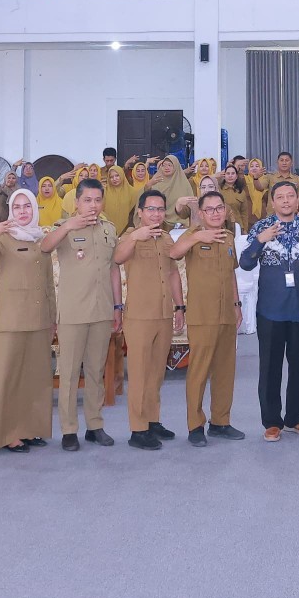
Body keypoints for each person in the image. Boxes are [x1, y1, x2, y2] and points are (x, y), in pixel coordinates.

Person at [239, 179, 299, 440]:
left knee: (298, 366)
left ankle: (296, 418)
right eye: (280, 197)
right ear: (272, 202)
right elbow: (245, 263)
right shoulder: (261, 228)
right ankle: (272, 422)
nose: (286, 201)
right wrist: (260, 241)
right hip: (270, 310)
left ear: (298, 201)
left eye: (290, 196)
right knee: (270, 367)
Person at [0, 187, 57, 452]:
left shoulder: (40, 238)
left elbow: (48, 282)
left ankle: (31, 428)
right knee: (7, 378)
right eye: (17, 207)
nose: (23, 212)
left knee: (35, 379)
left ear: (34, 208)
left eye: (27, 206)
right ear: (10, 210)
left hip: (39, 319)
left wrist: (52, 316)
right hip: (10, 320)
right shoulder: (3, 238)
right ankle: (7, 433)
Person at [43, 178, 119, 450]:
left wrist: (118, 306)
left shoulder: (109, 229)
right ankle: (69, 430)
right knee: (70, 373)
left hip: (102, 310)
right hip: (73, 312)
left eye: (97, 200)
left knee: (96, 372)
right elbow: (45, 247)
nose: (93, 205)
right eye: (87, 200)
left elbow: (113, 268)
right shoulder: (64, 227)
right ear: (76, 202)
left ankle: (95, 425)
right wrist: (68, 226)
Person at [169, 188, 246, 446]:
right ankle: (195, 425)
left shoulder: (228, 238)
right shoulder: (192, 235)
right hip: (202, 315)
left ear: (226, 211)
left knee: (225, 370)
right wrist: (197, 236)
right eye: (209, 209)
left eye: (219, 208)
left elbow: (231, 273)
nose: (215, 213)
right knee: (199, 372)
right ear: (201, 213)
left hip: (226, 314)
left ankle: (221, 422)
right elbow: (174, 253)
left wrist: (237, 304)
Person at [113, 190, 184, 450]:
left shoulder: (166, 238)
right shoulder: (130, 237)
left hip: (164, 314)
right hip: (140, 316)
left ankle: (153, 420)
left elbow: (173, 273)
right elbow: (117, 258)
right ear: (140, 212)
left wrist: (180, 307)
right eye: (151, 209)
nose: (156, 214)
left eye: (160, 209)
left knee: (156, 374)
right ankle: (138, 429)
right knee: (140, 374)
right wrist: (135, 236)